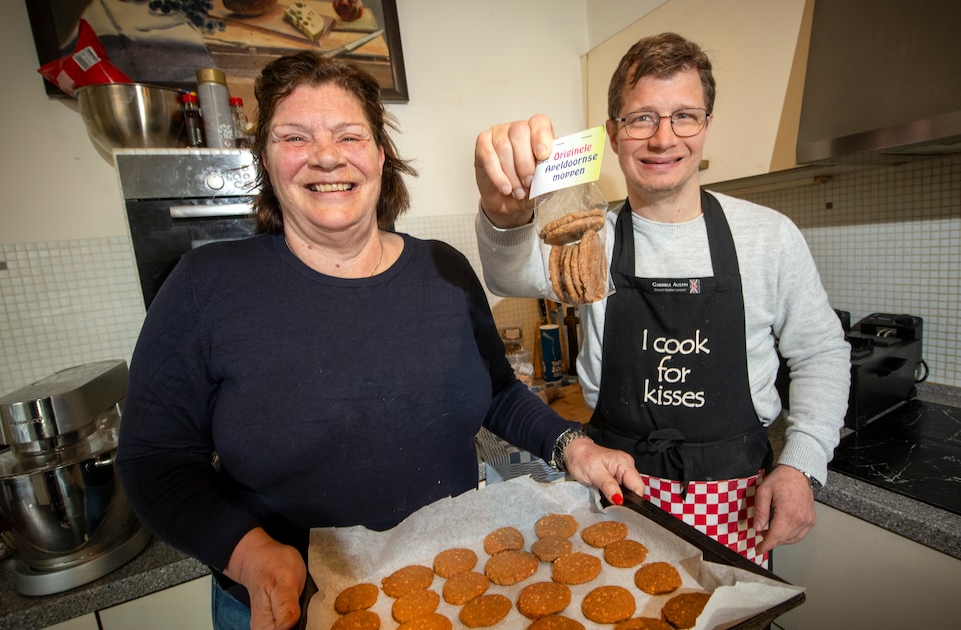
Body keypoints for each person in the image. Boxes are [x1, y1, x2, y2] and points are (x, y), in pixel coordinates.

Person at [116, 51, 642, 630]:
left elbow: (494, 389)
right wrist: (248, 554)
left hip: (454, 588)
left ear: (380, 154)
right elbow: (154, 461)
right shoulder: (206, 285)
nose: (325, 156)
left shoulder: (443, 270)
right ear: (265, 159)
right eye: (294, 137)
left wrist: (574, 446)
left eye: (349, 135)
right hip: (288, 603)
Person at [473, 32, 850, 567]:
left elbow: (821, 353)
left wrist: (803, 462)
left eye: (684, 116)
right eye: (641, 118)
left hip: (738, 504)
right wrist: (505, 212)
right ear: (613, 132)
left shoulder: (768, 236)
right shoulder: (586, 236)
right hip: (614, 490)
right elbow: (508, 275)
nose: (663, 138)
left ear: (706, 126)